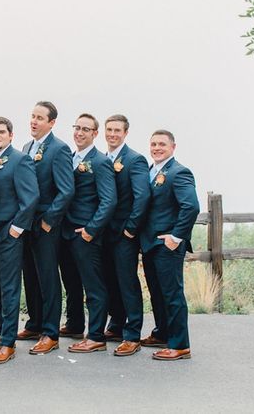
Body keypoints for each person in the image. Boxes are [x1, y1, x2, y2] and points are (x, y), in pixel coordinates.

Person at [0, 117, 38, 364]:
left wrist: (16, 228)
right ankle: (3, 330)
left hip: (8, 234)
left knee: (10, 288)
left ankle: (8, 343)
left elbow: (31, 197)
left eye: (1, 132)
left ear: (11, 135)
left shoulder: (20, 160)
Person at [18, 101, 75, 355]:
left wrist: (48, 220)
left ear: (51, 122)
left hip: (46, 225)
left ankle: (50, 332)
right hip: (25, 223)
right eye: (32, 116)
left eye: (40, 118)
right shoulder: (25, 147)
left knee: (48, 277)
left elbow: (66, 190)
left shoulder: (59, 149)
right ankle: (35, 322)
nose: (34, 121)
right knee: (29, 274)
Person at [140, 130, 200, 361]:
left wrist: (176, 237)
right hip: (149, 244)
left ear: (173, 147)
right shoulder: (150, 172)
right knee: (157, 293)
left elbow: (191, 207)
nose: (156, 148)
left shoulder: (179, 172)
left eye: (162, 144)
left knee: (172, 294)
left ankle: (179, 344)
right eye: (153, 144)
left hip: (167, 245)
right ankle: (162, 333)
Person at [60, 114, 117, 354]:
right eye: (77, 128)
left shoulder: (100, 161)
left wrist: (91, 230)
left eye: (86, 129)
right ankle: (74, 324)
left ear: (95, 134)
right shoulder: (71, 158)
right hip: (66, 231)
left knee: (93, 286)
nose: (79, 133)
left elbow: (109, 200)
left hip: (85, 233)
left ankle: (95, 336)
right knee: (71, 283)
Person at [101, 115, 150, 356]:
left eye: (117, 130)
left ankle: (132, 334)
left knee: (127, 282)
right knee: (110, 280)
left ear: (126, 133)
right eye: (109, 129)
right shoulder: (103, 159)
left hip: (124, 234)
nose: (112, 134)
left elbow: (142, 197)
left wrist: (131, 228)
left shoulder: (135, 160)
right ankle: (117, 324)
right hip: (104, 233)